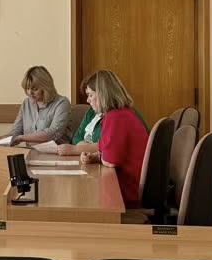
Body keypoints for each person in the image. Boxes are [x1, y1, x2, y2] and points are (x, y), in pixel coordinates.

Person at [59, 70, 150, 208]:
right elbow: (109, 153)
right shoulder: (121, 114)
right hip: (132, 184)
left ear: (102, 94)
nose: (88, 100)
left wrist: (100, 157)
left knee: (80, 199)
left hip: (128, 190)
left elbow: (111, 160)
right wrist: (95, 157)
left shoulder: (116, 117)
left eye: (90, 95)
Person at [0, 65, 71, 145]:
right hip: (31, 151)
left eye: (35, 89)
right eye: (27, 88)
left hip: (57, 152)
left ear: (46, 88)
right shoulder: (26, 103)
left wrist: (21, 138)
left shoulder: (62, 103)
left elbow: (53, 133)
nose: (30, 93)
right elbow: (15, 133)